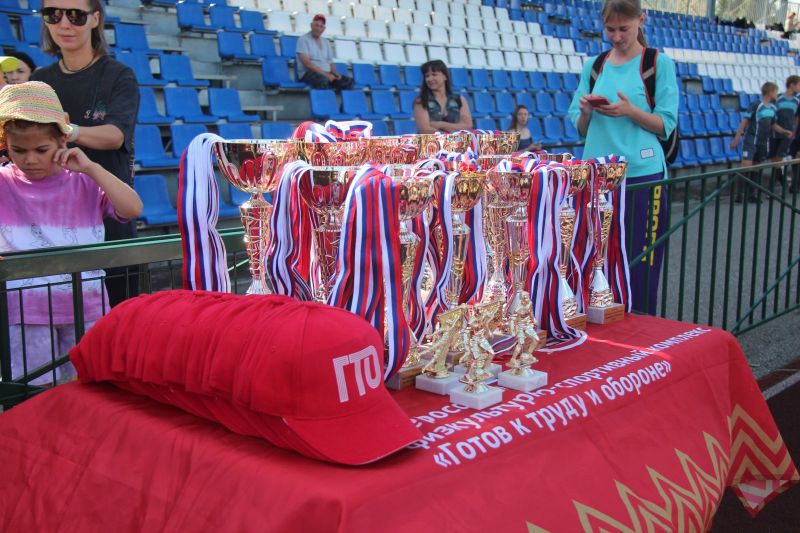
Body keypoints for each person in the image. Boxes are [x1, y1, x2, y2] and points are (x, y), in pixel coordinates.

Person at [0, 81, 142, 384]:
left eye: (41, 150)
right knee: (35, 392)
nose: (30, 159)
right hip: (24, 311)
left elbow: (132, 209)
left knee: (90, 387)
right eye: (18, 150)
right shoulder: (3, 182)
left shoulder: (84, 181)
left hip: (86, 306)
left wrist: (92, 168)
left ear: (63, 140)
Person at [568, 0, 678, 316]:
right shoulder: (595, 65)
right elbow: (580, 127)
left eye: (624, 29)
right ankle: (602, 323)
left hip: (642, 175)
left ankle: (640, 324)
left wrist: (630, 111)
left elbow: (666, 124)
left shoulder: (657, 63)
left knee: (641, 260)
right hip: (597, 175)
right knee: (595, 256)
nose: (616, 36)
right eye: (610, 29)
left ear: (641, 20)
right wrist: (586, 111)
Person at [32, 0, 140, 307]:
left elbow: (116, 135)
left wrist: (69, 131)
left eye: (76, 15)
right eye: (53, 14)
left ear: (95, 19)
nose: (64, 24)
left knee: (119, 315)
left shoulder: (119, 75)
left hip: (109, 216)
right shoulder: (40, 79)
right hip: (52, 221)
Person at [731, 82, 780, 202]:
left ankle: (751, 194)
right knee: (746, 166)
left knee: (756, 167)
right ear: (770, 92)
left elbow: (773, 125)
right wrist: (737, 138)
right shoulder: (756, 105)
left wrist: (784, 131)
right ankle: (739, 194)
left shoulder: (773, 108)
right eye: (775, 91)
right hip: (751, 139)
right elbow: (744, 121)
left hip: (763, 142)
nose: (777, 94)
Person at [413, 59, 473, 134]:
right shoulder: (421, 101)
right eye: (427, 76)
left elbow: (467, 126)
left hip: (456, 141)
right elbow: (425, 129)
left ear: (445, 76)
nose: (430, 79)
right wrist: (452, 131)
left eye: (434, 74)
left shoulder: (459, 99)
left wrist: (440, 124)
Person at [296, 14, 353, 90]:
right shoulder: (303, 40)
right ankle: (325, 98)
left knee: (348, 81)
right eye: (316, 25)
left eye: (321, 26)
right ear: (311, 25)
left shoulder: (326, 42)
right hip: (308, 73)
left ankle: (336, 97)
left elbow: (330, 61)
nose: (318, 29)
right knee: (323, 80)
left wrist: (334, 72)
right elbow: (307, 64)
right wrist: (327, 75)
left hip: (326, 73)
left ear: (324, 29)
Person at [768, 75, 800, 183]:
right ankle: (780, 182)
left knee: (779, 159)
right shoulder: (778, 98)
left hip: (788, 134)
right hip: (775, 133)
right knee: (774, 160)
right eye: (799, 85)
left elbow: (797, 118)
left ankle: (781, 184)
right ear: (792, 85)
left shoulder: (797, 101)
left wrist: (794, 132)